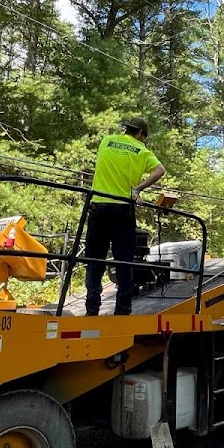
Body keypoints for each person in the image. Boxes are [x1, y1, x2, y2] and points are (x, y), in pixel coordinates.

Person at [85, 117, 166, 316]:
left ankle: (92, 309)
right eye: (144, 137)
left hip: (99, 205)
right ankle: (122, 310)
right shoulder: (142, 151)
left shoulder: (106, 140)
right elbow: (160, 170)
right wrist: (137, 190)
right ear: (140, 134)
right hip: (122, 210)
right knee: (124, 262)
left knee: (95, 260)